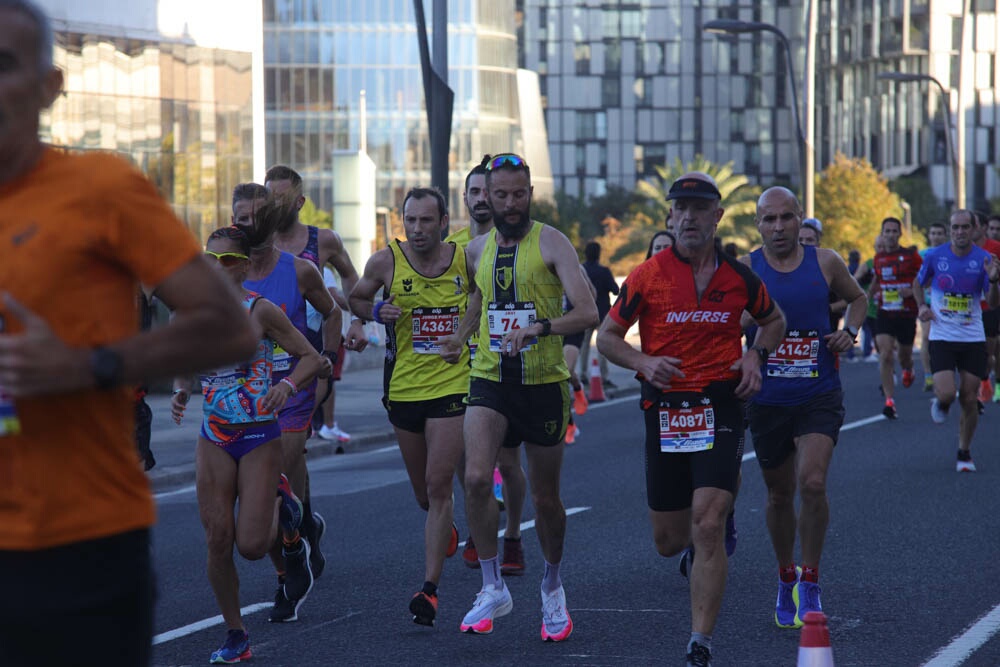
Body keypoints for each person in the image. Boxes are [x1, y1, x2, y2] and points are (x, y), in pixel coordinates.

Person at [0, 3, 258, 665]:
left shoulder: (101, 188)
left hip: (78, 547)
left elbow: (230, 327)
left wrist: (88, 364)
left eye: (3, 65)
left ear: (50, 85)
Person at [597, 172, 785, 666]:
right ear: (670, 216)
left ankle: (699, 641)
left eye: (699, 209)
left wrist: (755, 358)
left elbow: (774, 321)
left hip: (720, 404)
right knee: (669, 540)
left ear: (717, 217)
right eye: (680, 208)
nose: (688, 218)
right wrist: (642, 363)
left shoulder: (738, 277)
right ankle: (695, 551)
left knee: (708, 523)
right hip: (664, 409)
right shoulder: (648, 275)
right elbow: (607, 337)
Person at [442, 153, 598, 641]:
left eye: (519, 194)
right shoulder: (474, 250)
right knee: (473, 478)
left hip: (544, 384)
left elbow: (588, 310)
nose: (510, 203)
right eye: (500, 194)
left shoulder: (551, 242)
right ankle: (493, 586)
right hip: (490, 379)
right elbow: (479, 300)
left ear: (530, 194)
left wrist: (540, 328)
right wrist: (460, 336)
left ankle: (552, 585)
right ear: (486, 196)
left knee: (547, 499)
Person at [172, 223, 330, 662]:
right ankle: (236, 634)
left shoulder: (259, 310)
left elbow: (311, 359)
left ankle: (288, 515)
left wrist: (288, 388)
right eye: (210, 260)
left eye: (227, 260)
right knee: (218, 539)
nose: (217, 268)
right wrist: (182, 389)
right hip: (215, 436)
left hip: (259, 434)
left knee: (252, 546)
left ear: (242, 268)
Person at [744, 187, 866, 629]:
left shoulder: (825, 262)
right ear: (757, 225)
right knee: (779, 494)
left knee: (812, 482)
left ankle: (810, 579)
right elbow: (727, 321)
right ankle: (785, 574)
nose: (778, 227)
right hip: (768, 397)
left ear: (801, 220)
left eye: (786, 218)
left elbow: (858, 299)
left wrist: (849, 333)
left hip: (819, 392)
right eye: (769, 220)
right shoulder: (747, 269)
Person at [349, 187, 471, 627]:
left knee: (440, 485)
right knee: (424, 496)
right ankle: (446, 528)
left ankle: (430, 590)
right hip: (403, 389)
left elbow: (483, 296)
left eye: (426, 220)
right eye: (410, 221)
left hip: (453, 385)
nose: (418, 229)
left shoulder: (464, 258)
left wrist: (464, 336)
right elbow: (356, 299)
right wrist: (373, 311)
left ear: (443, 221)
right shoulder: (385, 262)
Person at [231, 184, 337, 622]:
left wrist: (327, 363)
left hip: (292, 388)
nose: (247, 224)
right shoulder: (226, 274)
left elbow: (331, 312)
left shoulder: (300, 271)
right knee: (267, 494)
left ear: (273, 221)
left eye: (255, 216)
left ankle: (286, 581)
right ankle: (304, 526)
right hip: (243, 398)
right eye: (240, 217)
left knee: (279, 481)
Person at [447, 156, 529, 578]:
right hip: (464, 363)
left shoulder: (526, 242)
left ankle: (512, 534)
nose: (482, 200)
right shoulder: (457, 248)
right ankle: (481, 530)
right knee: (469, 461)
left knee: (509, 461)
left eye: (488, 192)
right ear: (465, 198)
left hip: (506, 362)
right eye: (475, 192)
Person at [915, 209, 1000, 472]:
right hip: (942, 335)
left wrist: (995, 280)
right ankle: (941, 402)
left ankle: (964, 452)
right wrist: (920, 307)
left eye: (965, 227)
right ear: (951, 230)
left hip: (972, 337)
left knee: (969, 397)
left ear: (975, 230)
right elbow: (918, 284)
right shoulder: (934, 256)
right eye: (955, 228)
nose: (960, 232)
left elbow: (993, 302)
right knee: (949, 393)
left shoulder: (985, 259)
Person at [871, 216, 922, 419]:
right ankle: (889, 401)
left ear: (900, 234)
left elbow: (928, 276)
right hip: (885, 312)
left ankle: (908, 369)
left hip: (906, 314)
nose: (891, 235)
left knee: (904, 356)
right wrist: (868, 296)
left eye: (894, 231)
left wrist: (912, 291)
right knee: (885, 354)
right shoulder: (878, 258)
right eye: (887, 231)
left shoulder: (911, 256)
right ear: (882, 234)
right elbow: (877, 280)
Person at [578, 241, 620, 388]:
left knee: (584, 346)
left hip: (585, 313)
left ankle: (582, 375)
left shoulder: (580, 270)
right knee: (602, 346)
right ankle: (603, 376)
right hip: (602, 314)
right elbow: (616, 290)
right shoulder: (604, 271)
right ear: (599, 254)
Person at [971, 213, 1000, 405]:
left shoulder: (996, 248)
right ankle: (983, 380)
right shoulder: (963, 250)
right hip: (971, 308)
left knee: (992, 350)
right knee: (979, 351)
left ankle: (996, 384)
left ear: (982, 227)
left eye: (971, 226)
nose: (967, 231)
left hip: (993, 305)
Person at [918, 222, 949, 389]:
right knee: (926, 337)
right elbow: (916, 280)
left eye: (939, 233)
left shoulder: (951, 254)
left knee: (944, 340)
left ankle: (944, 372)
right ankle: (928, 375)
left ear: (945, 236)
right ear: (929, 236)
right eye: (933, 233)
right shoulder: (921, 255)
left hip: (947, 303)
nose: (936, 236)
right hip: (928, 302)